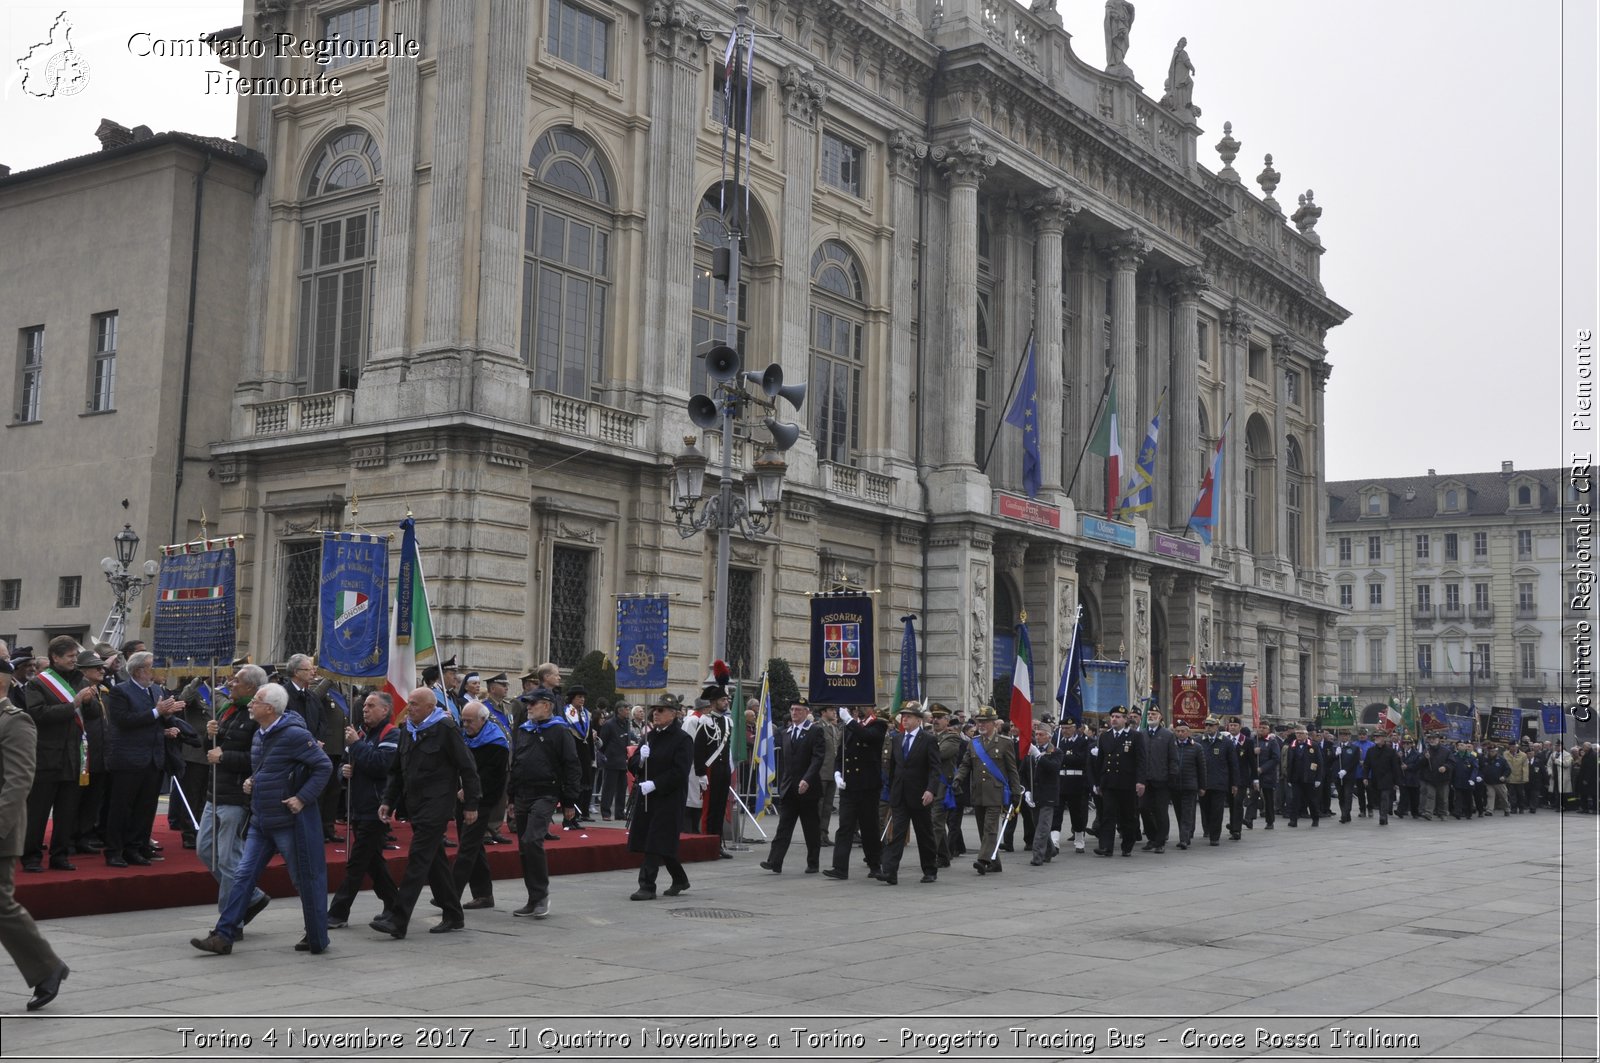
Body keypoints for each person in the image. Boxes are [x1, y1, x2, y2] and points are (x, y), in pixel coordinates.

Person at [189, 682, 333, 956]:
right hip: (260, 819)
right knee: (243, 876)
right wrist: (253, 781)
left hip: (287, 821)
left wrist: (302, 797)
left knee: (302, 877)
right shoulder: (260, 734)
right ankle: (224, 935)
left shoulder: (293, 734)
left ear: (269, 708)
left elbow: (323, 765)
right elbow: (266, 768)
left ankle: (317, 934)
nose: (251, 704)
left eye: (256, 700)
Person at [372, 688, 481, 938]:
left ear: (431, 707)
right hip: (416, 805)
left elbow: (467, 767)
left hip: (438, 805)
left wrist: (472, 804)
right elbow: (397, 771)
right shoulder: (407, 730)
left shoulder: (445, 729)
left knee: (418, 859)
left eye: (415, 704)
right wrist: (388, 800)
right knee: (435, 862)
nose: (410, 708)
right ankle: (453, 914)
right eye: (409, 703)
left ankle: (398, 919)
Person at [0, 656, 69, 1009]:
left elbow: (18, 782)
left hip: (1, 833)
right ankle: (47, 968)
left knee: (1, 905)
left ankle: (48, 968)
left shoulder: (15, 722)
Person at [197, 664, 273, 928]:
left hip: (236, 796)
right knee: (205, 849)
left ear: (252, 687)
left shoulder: (258, 716)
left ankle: (230, 920)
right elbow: (212, 751)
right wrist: (210, 737)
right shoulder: (227, 710)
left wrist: (225, 756)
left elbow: (259, 760)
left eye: (236, 681)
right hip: (215, 792)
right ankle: (251, 896)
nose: (230, 684)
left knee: (229, 858)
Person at [326, 691, 402, 929]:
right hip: (357, 806)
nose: (365, 709)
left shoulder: (392, 734)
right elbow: (343, 766)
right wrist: (343, 773)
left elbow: (381, 766)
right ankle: (394, 904)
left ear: (385, 710)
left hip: (376, 807)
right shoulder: (358, 734)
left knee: (357, 861)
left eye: (371, 705)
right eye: (365, 705)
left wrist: (356, 746)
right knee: (373, 861)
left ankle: (338, 912)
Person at [105, 652, 185, 867]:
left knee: (145, 808)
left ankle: (136, 847)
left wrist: (167, 727)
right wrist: (157, 712)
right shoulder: (120, 691)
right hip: (128, 759)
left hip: (153, 758)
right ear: (140, 670)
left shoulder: (156, 690)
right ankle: (114, 850)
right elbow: (123, 721)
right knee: (122, 807)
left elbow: (155, 722)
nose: (158, 672)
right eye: (154, 667)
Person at [506, 687, 581, 919]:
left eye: (533, 703)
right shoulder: (524, 730)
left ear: (547, 706)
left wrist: (569, 801)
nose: (528, 707)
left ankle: (541, 896)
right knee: (523, 848)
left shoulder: (560, 731)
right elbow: (516, 763)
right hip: (522, 794)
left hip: (546, 793)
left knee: (532, 840)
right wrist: (511, 797)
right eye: (527, 703)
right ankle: (532, 899)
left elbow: (572, 766)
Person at [20, 637, 89, 873]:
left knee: (67, 812)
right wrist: (74, 705)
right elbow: (37, 714)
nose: (74, 660)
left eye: (75, 656)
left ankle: (60, 855)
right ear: (56, 658)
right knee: (38, 812)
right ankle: (31, 856)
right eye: (70, 656)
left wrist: (90, 702)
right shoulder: (38, 684)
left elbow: (94, 716)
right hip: (47, 756)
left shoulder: (80, 679)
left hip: (73, 756)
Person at [627, 695, 693, 899]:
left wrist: (655, 784)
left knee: (655, 839)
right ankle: (680, 879)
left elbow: (680, 772)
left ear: (673, 714)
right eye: (654, 709)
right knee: (658, 839)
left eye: (661, 710)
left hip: (668, 797)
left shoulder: (683, 739)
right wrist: (639, 759)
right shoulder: (649, 736)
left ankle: (647, 886)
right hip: (648, 797)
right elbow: (634, 764)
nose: (655, 713)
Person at [876, 702, 944, 886]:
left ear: (918, 720)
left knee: (924, 834)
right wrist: (890, 790)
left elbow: (935, 769)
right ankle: (890, 871)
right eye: (903, 716)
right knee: (897, 834)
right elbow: (893, 768)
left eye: (909, 716)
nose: (904, 719)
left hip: (921, 795)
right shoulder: (897, 739)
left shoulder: (928, 739)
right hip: (900, 794)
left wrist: (931, 790)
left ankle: (929, 870)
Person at [453, 700, 510, 910]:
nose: (465, 725)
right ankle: (484, 895)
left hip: (482, 801)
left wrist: (470, 791)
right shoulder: (464, 737)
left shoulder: (496, 742)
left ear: (483, 720)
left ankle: (450, 893)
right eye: (463, 720)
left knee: (467, 847)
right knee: (473, 846)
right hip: (462, 798)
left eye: (470, 721)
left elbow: (491, 778)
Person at [760, 698, 826, 875]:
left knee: (811, 828)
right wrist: (783, 783)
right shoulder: (786, 733)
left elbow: (817, 758)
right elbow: (786, 763)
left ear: (806, 712)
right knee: (784, 826)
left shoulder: (814, 731)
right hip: (789, 789)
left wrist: (807, 779)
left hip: (808, 789)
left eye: (798, 710)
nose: (794, 713)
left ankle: (813, 863)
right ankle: (775, 861)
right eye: (792, 710)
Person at [823, 705, 889, 881]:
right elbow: (842, 753)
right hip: (849, 785)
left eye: (863, 707)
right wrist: (837, 773)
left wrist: (849, 720)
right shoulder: (850, 726)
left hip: (868, 785)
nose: (858, 710)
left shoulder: (878, 724)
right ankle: (840, 867)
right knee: (845, 827)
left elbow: (867, 736)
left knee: (869, 828)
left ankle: (875, 865)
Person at [960, 705, 1021, 874]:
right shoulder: (973, 743)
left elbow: (1012, 770)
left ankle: (983, 860)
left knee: (990, 828)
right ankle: (995, 862)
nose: (981, 725)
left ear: (994, 724)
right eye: (979, 721)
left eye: (985, 722)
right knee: (982, 829)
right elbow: (966, 764)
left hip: (995, 792)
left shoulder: (1004, 743)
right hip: (978, 791)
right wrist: (958, 780)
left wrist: (1016, 792)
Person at [1092, 706, 1146, 857]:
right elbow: (1100, 761)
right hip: (1109, 783)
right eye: (1112, 716)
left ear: (1125, 719)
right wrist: (1098, 782)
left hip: (1127, 783)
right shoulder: (1105, 737)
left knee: (1128, 816)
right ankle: (1106, 847)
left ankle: (1127, 845)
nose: (1114, 719)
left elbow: (1141, 761)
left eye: (1118, 717)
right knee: (1108, 815)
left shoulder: (1135, 736)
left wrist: (1140, 781)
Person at [691, 683, 734, 852]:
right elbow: (699, 749)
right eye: (723, 699)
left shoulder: (727, 722)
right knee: (709, 808)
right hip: (710, 770)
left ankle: (717, 843)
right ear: (714, 701)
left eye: (727, 699)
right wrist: (701, 773)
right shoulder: (705, 721)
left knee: (720, 806)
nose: (726, 702)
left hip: (723, 770)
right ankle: (707, 843)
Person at [1139, 707, 1178, 853]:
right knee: (1143, 808)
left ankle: (1160, 841)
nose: (1150, 716)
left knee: (1161, 811)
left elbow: (1173, 758)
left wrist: (1172, 777)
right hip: (1145, 780)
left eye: (1153, 714)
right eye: (1148, 714)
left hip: (1162, 780)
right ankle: (1152, 837)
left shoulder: (1167, 735)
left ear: (1160, 717)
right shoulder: (1141, 734)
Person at [1025, 725, 1063, 866]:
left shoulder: (1056, 752)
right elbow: (1024, 772)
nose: (1038, 737)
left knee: (1043, 827)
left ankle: (1037, 856)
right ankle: (1050, 850)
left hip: (1048, 795)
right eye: (1037, 734)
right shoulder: (1031, 752)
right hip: (1035, 795)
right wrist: (1027, 790)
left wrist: (1038, 756)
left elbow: (1054, 768)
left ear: (1049, 736)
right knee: (1038, 826)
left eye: (1041, 734)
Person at [1195, 717, 1233, 845]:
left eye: (1211, 725)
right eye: (1206, 725)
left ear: (1217, 726)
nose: (1208, 727)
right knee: (1205, 808)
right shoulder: (1198, 741)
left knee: (1217, 810)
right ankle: (1207, 829)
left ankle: (1215, 836)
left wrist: (1234, 783)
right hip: (1203, 783)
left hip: (1219, 782)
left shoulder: (1226, 742)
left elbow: (1233, 764)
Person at [1169, 721, 1206, 848]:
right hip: (1175, 786)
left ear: (1188, 732)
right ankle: (1184, 834)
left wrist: (1202, 786)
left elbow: (1202, 769)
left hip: (1190, 786)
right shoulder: (1171, 746)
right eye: (1178, 731)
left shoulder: (1196, 747)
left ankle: (1184, 839)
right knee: (1179, 813)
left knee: (1187, 812)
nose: (1180, 733)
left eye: (1183, 731)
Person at [563, 685, 597, 820]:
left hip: (585, 753)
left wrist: (592, 756)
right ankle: (571, 816)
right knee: (573, 783)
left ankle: (582, 813)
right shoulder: (566, 713)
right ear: (572, 698)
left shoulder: (586, 714)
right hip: (572, 751)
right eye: (579, 697)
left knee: (585, 783)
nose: (582, 700)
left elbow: (588, 738)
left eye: (583, 697)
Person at [596, 703, 634, 821]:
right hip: (611, 761)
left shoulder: (627, 723)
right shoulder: (609, 724)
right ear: (619, 710)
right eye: (626, 709)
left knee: (622, 790)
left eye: (628, 709)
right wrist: (608, 754)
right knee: (608, 789)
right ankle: (606, 813)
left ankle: (619, 813)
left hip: (623, 760)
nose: (628, 712)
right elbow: (602, 743)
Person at [814, 705, 841, 846]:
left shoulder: (833, 728)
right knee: (819, 804)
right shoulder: (817, 727)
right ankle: (816, 834)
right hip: (821, 771)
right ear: (823, 712)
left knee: (828, 805)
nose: (834, 712)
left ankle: (824, 833)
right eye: (831, 710)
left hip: (832, 772)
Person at [1364, 730, 1401, 825]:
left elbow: (1395, 767)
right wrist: (1365, 777)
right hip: (1375, 778)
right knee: (1378, 798)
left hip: (1387, 779)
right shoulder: (1371, 751)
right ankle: (1383, 813)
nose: (1376, 738)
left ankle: (1383, 816)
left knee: (1384, 797)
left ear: (1384, 738)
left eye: (1379, 736)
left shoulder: (1391, 751)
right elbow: (1367, 765)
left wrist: (1397, 782)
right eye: (1375, 736)